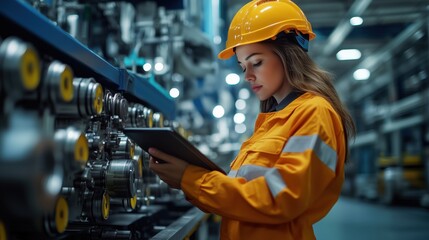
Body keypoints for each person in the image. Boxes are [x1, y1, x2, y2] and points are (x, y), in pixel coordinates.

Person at [148, 0, 356, 239]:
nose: (247, 75)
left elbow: (280, 199)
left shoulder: (314, 113)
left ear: (289, 55)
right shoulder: (270, 122)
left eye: (256, 62)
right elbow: (240, 200)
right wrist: (188, 179)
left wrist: (192, 179)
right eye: (242, 66)